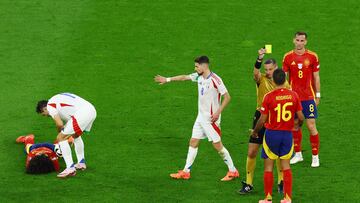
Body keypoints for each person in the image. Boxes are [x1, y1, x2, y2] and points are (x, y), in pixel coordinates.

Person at [154, 56, 239, 181]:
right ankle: (186, 171)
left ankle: (233, 171)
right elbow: (184, 77)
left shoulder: (215, 80)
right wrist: (167, 79)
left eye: (197, 66)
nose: (195, 68)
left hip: (211, 120)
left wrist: (218, 112)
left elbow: (227, 97)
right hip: (201, 117)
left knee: (218, 146)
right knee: (193, 142)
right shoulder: (198, 76)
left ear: (204, 66)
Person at [239, 48, 290, 195]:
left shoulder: (285, 84)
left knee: (278, 153)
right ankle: (248, 183)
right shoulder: (261, 79)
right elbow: (255, 73)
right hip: (260, 116)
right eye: (266, 69)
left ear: (277, 69)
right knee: (252, 150)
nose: (267, 72)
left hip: (276, 119)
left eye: (270, 69)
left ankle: (281, 182)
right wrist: (259, 58)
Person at [251, 69, 304, 203]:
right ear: (285, 79)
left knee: (268, 167)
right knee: (286, 166)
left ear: (273, 81)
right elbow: (301, 117)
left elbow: (262, 120)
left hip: (271, 135)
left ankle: (268, 198)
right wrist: (297, 125)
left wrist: (255, 132)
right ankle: (287, 198)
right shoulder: (294, 95)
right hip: (287, 135)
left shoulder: (268, 97)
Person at [282, 31, 321, 167]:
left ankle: (315, 157)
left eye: (302, 40)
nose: (299, 43)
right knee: (295, 125)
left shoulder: (312, 57)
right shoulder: (287, 57)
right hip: (293, 98)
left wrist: (318, 95)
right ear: (294, 40)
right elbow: (285, 78)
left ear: (306, 42)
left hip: (308, 97)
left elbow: (316, 77)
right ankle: (298, 154)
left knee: (311, 125)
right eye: (297, 40)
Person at [36, 92, 97, 178]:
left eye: (44, 114)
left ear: (45, 108)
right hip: (92, 110)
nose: (47, 116)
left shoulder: (50, 105)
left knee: (61, 138)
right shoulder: (57, 99)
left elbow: (59, 124)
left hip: (82, 113)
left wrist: (60, 136)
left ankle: (70, 168)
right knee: (76, 135)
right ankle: (81, 162)